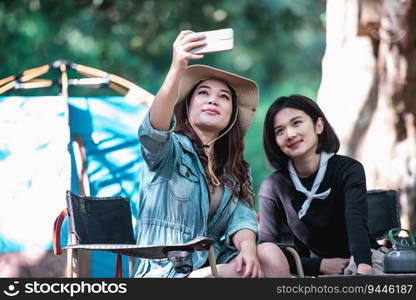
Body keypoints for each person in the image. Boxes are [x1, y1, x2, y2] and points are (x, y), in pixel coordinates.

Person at [133, 30, 290, 278]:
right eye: (203, 93)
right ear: (189, 105)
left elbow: (243, 218)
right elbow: (153, 130)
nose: (213, 100)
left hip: (215, 262)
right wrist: (177, 67)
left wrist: (248, 248)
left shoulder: (235, 167)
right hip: (169, 270)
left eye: (223, 97)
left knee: (270, 254)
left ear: (231, 116)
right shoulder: (168, 150)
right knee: (243, 274)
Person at [259, 94, 374, 276]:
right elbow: (267, 249)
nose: (290, 134)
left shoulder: (348, 170)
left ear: (318, 125)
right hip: (310, 274)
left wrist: (363, 268)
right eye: (280, 131)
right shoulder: (273, 186)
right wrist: (319, 265)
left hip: (360, 262)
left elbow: (356, 223)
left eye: (296, 123)